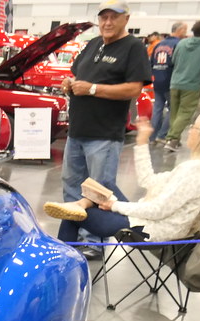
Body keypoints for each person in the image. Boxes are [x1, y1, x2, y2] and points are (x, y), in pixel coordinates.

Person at [58, 0, 151, 260]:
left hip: (104, 134)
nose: (107, 22)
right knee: (72, 187)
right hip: (77, 131)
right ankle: (73, 236)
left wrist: (93, 89)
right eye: (103, 17)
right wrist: (71, 83)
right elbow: (79, 76)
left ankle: (95, 242)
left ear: (126, 20)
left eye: (113, 17)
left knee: (99, 191)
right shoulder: (93, 44)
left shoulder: (133, 47)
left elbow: (134, 89)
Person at [44, 117, 200, 244]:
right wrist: (141, 142)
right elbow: (148, 181)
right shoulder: (193, 168)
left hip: (149, 229)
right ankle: (80, 204)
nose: (189, 131)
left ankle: (61, 268)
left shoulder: (194, 171)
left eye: (193, 128)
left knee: (71, 216)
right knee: (106, 185)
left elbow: (157, 210)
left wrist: (115, 205)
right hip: (152, 223)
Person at [163, 20, 200, 152]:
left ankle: (174, 138)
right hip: (192, 85)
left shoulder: (182, 43)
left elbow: (173, 60)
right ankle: (172, 139)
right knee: (185, 113)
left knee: (174, 112)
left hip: (175, 82)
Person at [149, 22, 187, 143]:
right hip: (171, 81)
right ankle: (162, 135)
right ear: (180, 30)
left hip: (157, 80)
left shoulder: (158, 45)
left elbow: (151, 63)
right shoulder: (179, 45)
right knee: (173, 109)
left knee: (157, 109)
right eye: (185, 30)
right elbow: (180, 64)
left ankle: (152, 137)